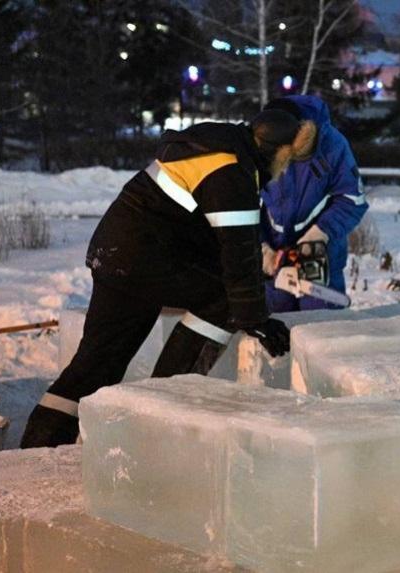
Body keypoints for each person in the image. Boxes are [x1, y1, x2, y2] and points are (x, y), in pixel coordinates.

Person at [20, 110, 313, 448]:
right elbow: (237, 256)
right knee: (223, 301)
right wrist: (255, 319)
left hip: (121, 253)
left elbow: (202, 230)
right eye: (288, 161)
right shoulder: (233, 173)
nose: (286, 169)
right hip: (143, 260)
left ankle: (35, 450)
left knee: (98, 362)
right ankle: (166, 401)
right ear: (275, 150)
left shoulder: (217, 146)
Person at [258, 95, 368, 311]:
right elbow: (245, 203)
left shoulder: (333, 146)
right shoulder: (261, 143)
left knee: (320, 327)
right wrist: (260, 247)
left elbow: (352, 199)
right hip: (275, 254)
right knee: (275, 325)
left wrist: (319, 235)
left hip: (321, 257)